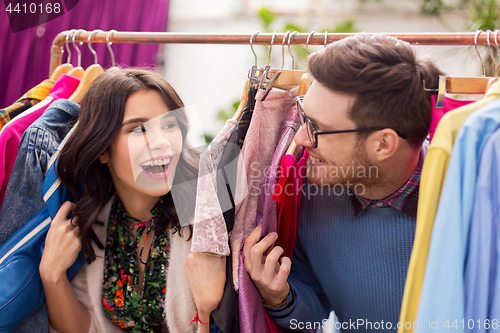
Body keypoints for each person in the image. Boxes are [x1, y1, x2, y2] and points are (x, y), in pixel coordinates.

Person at [243, 34, 443, 331]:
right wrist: (279, 297)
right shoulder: (308, 191)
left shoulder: (465, 202)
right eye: (303, 117)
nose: (299, 139)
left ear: (383, 144)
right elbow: (313, 316)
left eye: (317, 128)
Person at [39, 68, 225, 333]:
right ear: (102, 149)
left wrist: (206, 311)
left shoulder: (208, 219)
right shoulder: (94, 219)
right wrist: (52, 276)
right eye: (138, 129)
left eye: (169, 125)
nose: (161, 142)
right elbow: (88, 328)